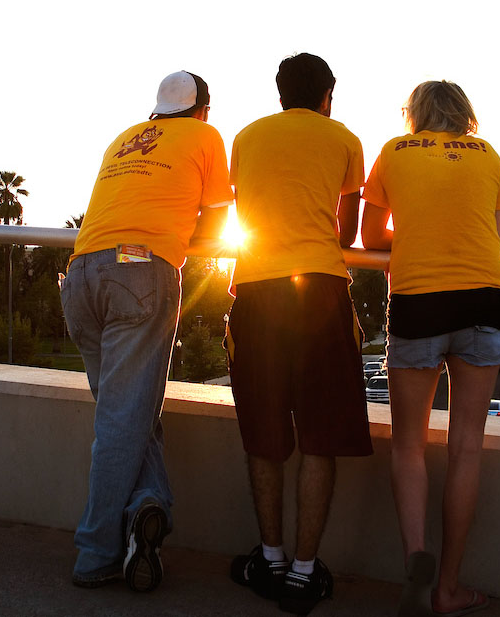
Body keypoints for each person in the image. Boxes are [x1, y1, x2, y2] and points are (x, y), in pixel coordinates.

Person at [62, 70, 232, 593]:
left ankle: (146, 507)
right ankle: (96, 553)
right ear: (203, 108)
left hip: (82, 272)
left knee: (127, 412)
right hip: (138, 269)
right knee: (122, 420)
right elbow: (218, 221)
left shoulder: (123, 139)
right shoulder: (205, 137)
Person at [225, 52, 373, 616]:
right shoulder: (345, 139)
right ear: (327, 94)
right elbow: (349, 231)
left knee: (264, 431)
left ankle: (270, 557)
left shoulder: (246, 137)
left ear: (280, 92)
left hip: (257, 290)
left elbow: (248, 212)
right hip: (321, 291)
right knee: (321, 433)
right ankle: (305, 575)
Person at [361, 80, 500, 617]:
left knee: (408, 444)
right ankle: (449, 588)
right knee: (465, 446)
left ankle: (416, 564)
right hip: (482, 299)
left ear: (416, 115)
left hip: (419, 301)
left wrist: (416, 234)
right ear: (465, 115)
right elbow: (493, 239)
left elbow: (371, 238)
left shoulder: (394, 152)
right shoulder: (489, 154)